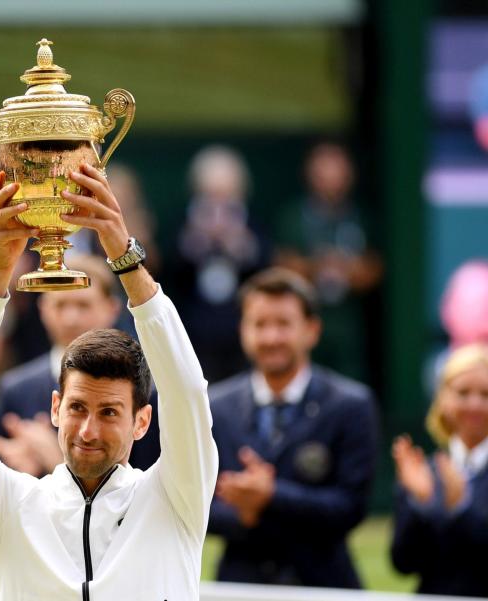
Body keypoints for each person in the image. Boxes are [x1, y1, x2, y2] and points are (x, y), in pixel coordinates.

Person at [0, 165, 218, 600]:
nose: (87, 430)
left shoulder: (176, 497)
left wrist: (125, 257)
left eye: (110, 412)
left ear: (142, 422)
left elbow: (187, 390)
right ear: (56, 407)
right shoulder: (7, 506)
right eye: (78, 408)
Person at [207, 267, 378, 588]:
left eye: (283, 324)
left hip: (324, 586)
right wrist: (242, 515)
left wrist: (272, 496)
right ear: (243, 330)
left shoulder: (351, 405)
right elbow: (197, 505)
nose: (271, 337)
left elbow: (352, 508)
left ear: (312, 330)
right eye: (259, 324)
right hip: (240, 586)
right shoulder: (216, 407)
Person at [0, 254, 160, 475]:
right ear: (43, 309)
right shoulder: (14, 390)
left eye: (83, 305)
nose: (71, 318)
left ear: (112, 308)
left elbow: (144, 486)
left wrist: (54, 462)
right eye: (60, 305)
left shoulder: (146, 390)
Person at [275, 142, 382, 381]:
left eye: (337, 170)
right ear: (310, 174)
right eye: (323, 170)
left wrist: (345, 268)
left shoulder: (360, 216)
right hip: (305, 320)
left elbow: (373, 269)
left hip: (348, 324)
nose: (331, 178)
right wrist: (318, 266)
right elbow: (283, 267)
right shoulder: (293, 216)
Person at [390, 343, 488, 597]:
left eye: (486, 394)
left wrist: (462, 509)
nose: (475, 404)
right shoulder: (424, 472)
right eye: (463, 393)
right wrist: (420, 505)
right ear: (442, 398)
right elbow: (403, 563)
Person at [173, 145, 270, 383]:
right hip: (196, 329)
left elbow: (265, 268)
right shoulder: (184, 223)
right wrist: (196, 244)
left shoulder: (254, 223)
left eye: (226, 194)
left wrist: (241, 246)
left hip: (240, 326)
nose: (219, 203)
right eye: (211, 193)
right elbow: (170, 272)